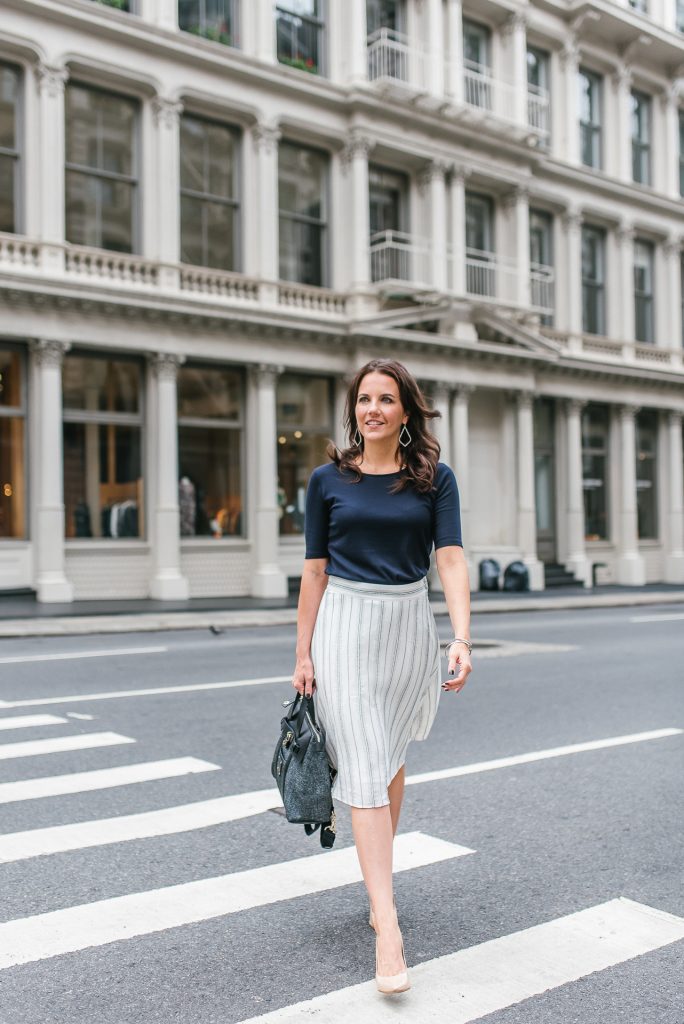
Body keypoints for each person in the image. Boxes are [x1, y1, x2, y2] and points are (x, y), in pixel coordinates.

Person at [292, 358, 472, 995]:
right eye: (364, 399)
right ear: (354, 411)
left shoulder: (432, 480)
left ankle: (377, 887)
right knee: (366, 766)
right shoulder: (326, 480)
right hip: (343, 624)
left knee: (388, 754)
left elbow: (448, 558)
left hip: (406, 627)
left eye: (386, 399)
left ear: (405, 411)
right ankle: (387, 927)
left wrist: (461, 636)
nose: (373, 409)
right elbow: (314, 571)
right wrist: (303, 653)